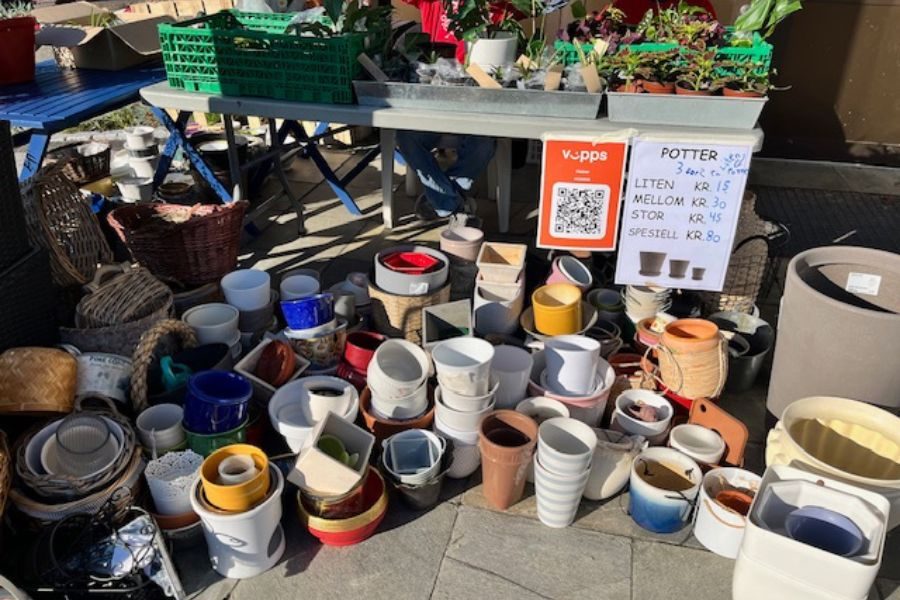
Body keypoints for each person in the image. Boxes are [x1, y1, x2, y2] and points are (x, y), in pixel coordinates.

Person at [397, 0, 510, 222]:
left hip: (478, 102)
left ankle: (442, 200)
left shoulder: (495, 6)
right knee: (406, 136)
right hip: (434, 102)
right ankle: (453, 202)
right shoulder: (433, 3)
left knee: (484, 142)